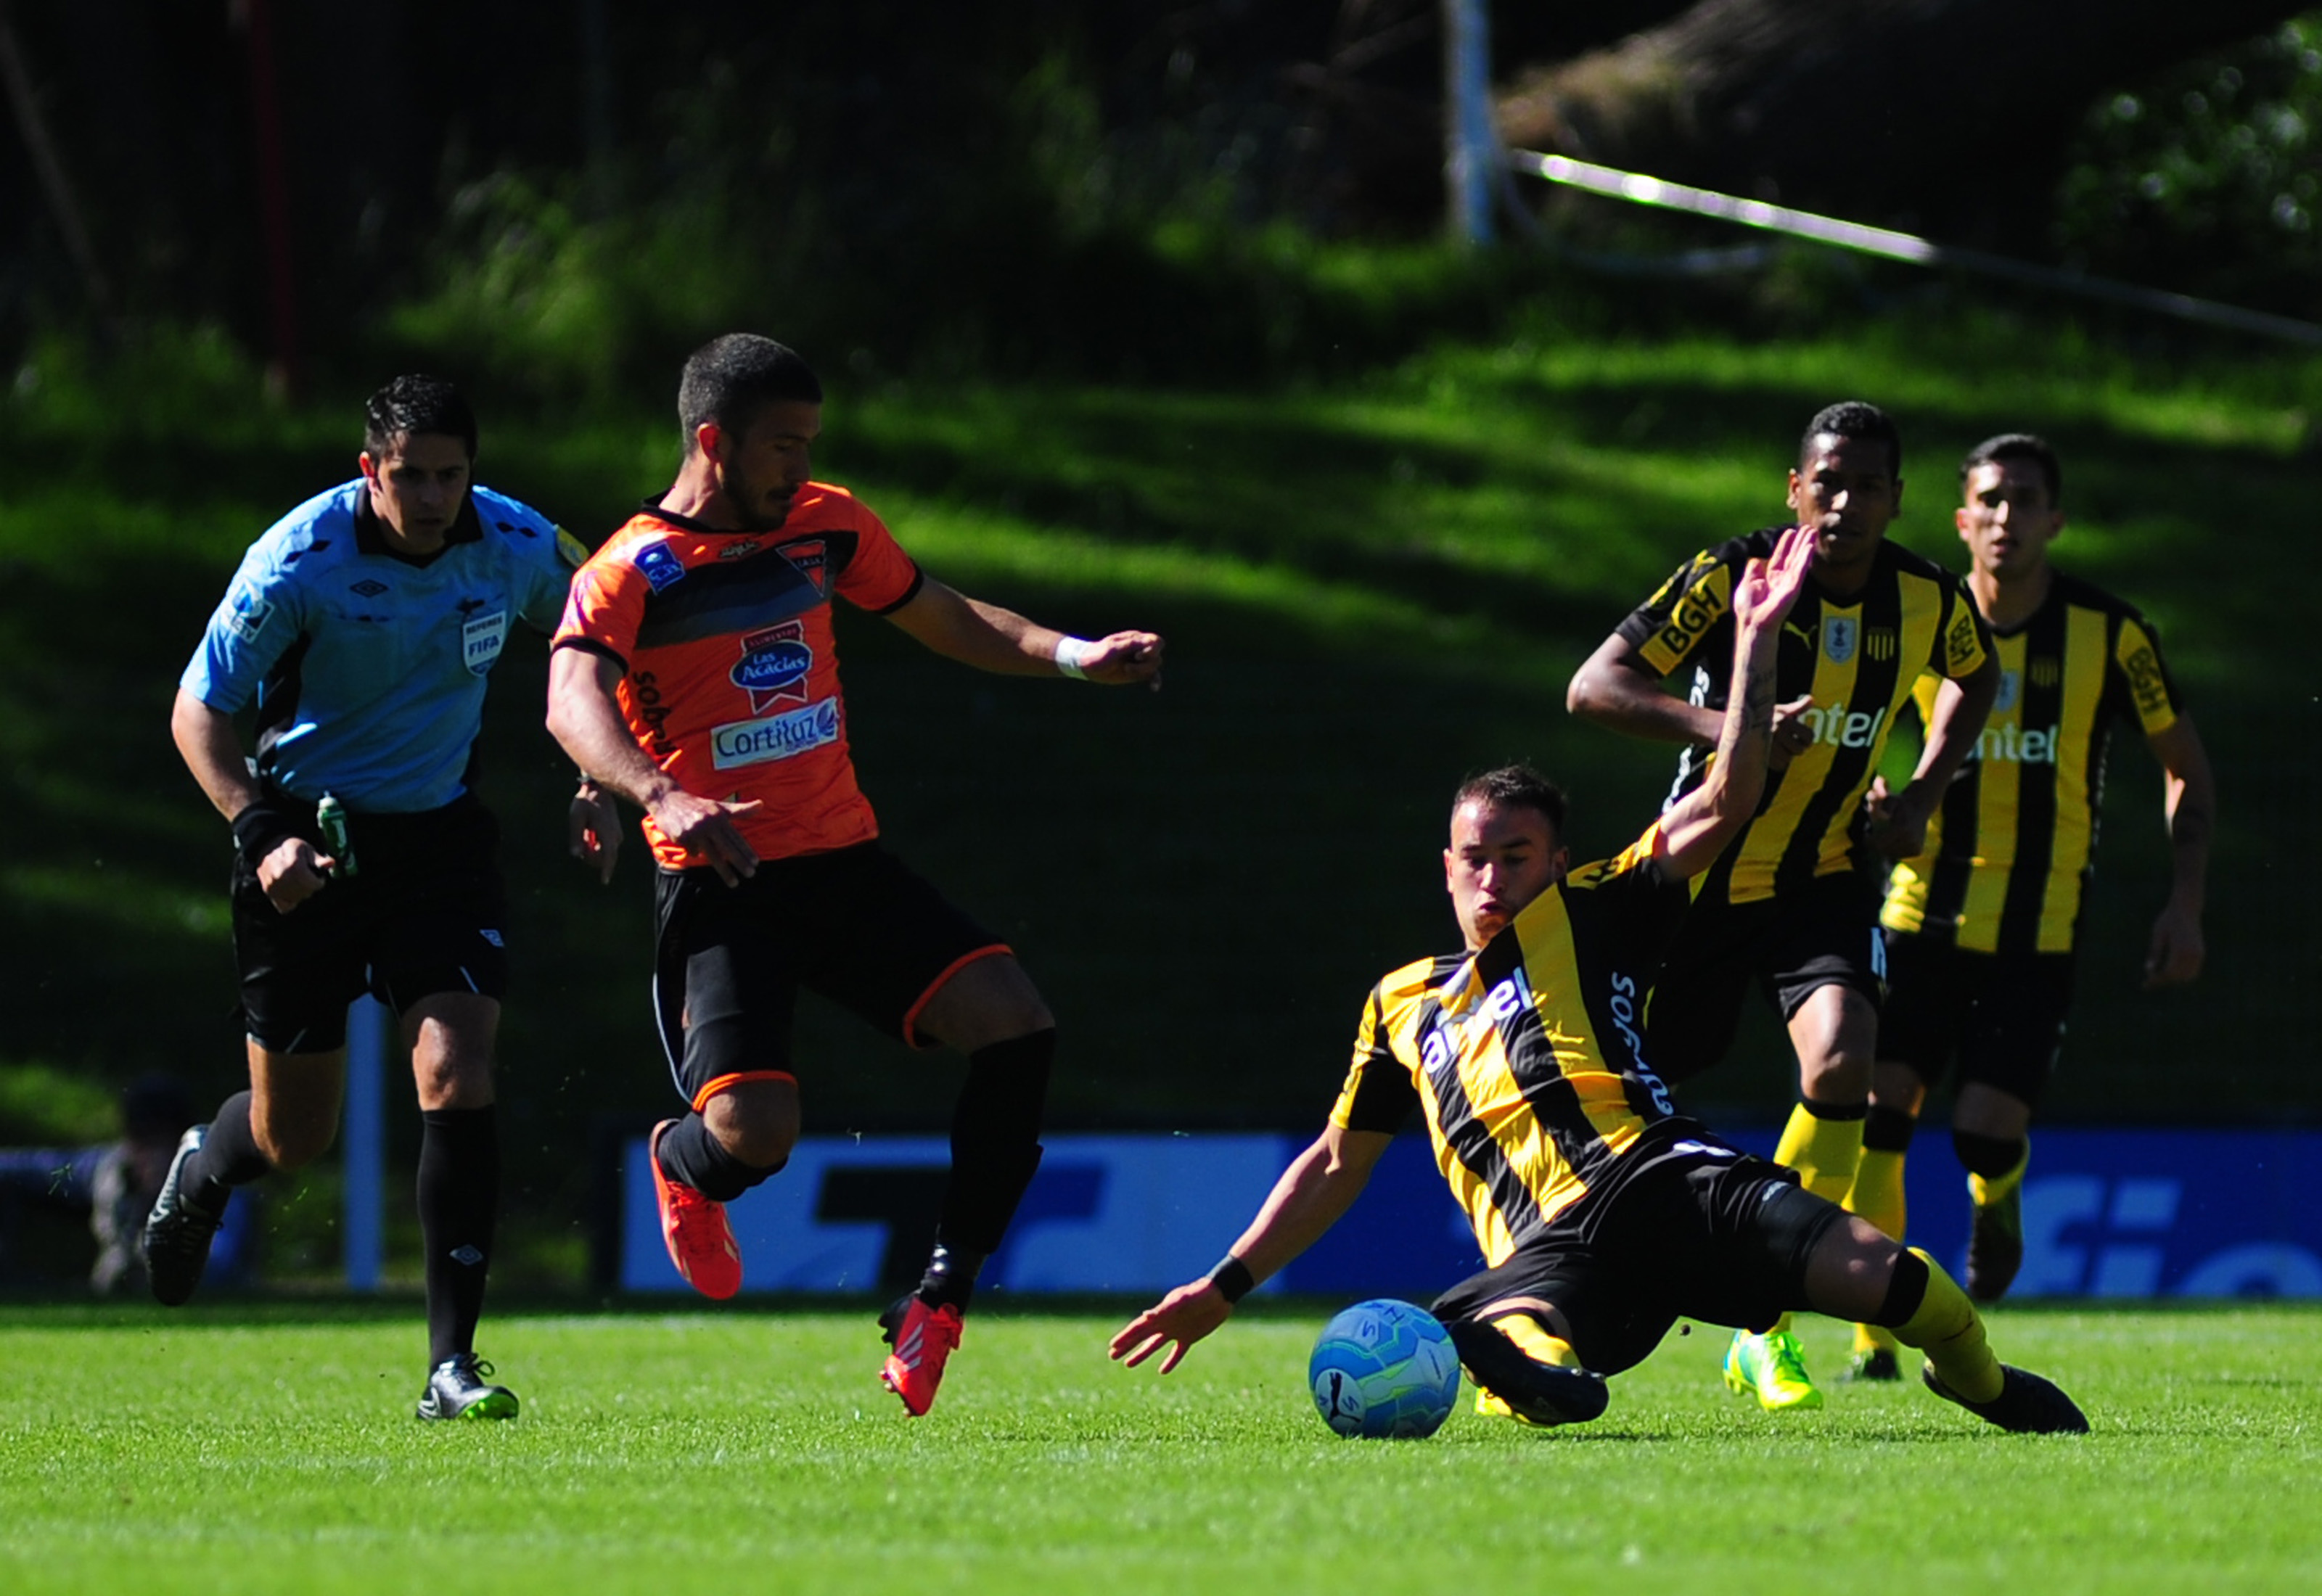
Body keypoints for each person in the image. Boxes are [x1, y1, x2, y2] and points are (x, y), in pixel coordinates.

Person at [1111, 528, 2084, 1437]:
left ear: (1556, 859)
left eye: (1518, 857)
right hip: (1548, 1245)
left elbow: (1732, 796)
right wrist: (1223, 1286)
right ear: (1444, 866)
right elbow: (1335, 1164)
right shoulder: (1400, 1001)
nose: (1495, 880)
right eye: (1475, 859)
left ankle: (1978, 1379)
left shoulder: (1596, 907)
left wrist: (1752, 640)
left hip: (1668, 1178)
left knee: (1899, 1281)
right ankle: (1529, 1366)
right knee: (1527, 1317)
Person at [544, 333, 1164, 1417]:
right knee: (757, 1137)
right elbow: (569, 700)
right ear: (712, 442)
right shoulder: (631, 569)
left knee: (1017, 1023)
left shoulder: (825, 524)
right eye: (781, 446)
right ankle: (687, 1165)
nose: (800, 465)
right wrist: (658, 794)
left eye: (809, 443)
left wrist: (1073, 655)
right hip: (718, 879)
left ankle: (941, 1295)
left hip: (841, 861)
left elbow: (945, 615)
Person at [142, 375, 618, 1421]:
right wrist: (261, 833)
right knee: (290, 1137)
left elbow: (598, 642)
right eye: (412, 477)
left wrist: (601, 776)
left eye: (453, 474)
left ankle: (452, 1367)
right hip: (305, 845)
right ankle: (203, 1166)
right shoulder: (297, 562)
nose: (435, 496)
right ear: (372, 471)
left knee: (455, 1065)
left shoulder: (516, 543)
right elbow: (196, 713)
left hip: (440, 844)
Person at [1564, 400, 2000, 1411]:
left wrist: (1925, 793)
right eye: (1828, 482)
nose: (1846, 503)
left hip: (1824, 879)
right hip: (1698, 878)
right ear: (1795, 489)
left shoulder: (1928, 602)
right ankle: (1552, 1309)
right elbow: (1595, 687)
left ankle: (1766, 1324)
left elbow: (1975, 681)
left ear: (1898, 501)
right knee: (1621, 1110)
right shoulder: (1734, 578)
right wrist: (1737, 727)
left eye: (1868, 487)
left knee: (1846, 1056)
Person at [1844, 432, 2215, 1373]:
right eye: (1990, 501)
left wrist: (2186, 903)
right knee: (1878, 1113)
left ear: (2056, 519)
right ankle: (1871, 1327)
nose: (2007, 519)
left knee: (1982, 1131)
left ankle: (1995, 1190)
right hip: (1918, 909)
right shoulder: (1914, 617)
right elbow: (1862, 735)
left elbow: (2185, 770)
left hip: (2039, 927)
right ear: (1962, 517)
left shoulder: (2111, 635)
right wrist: (1876, 801)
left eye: (2026, 501)